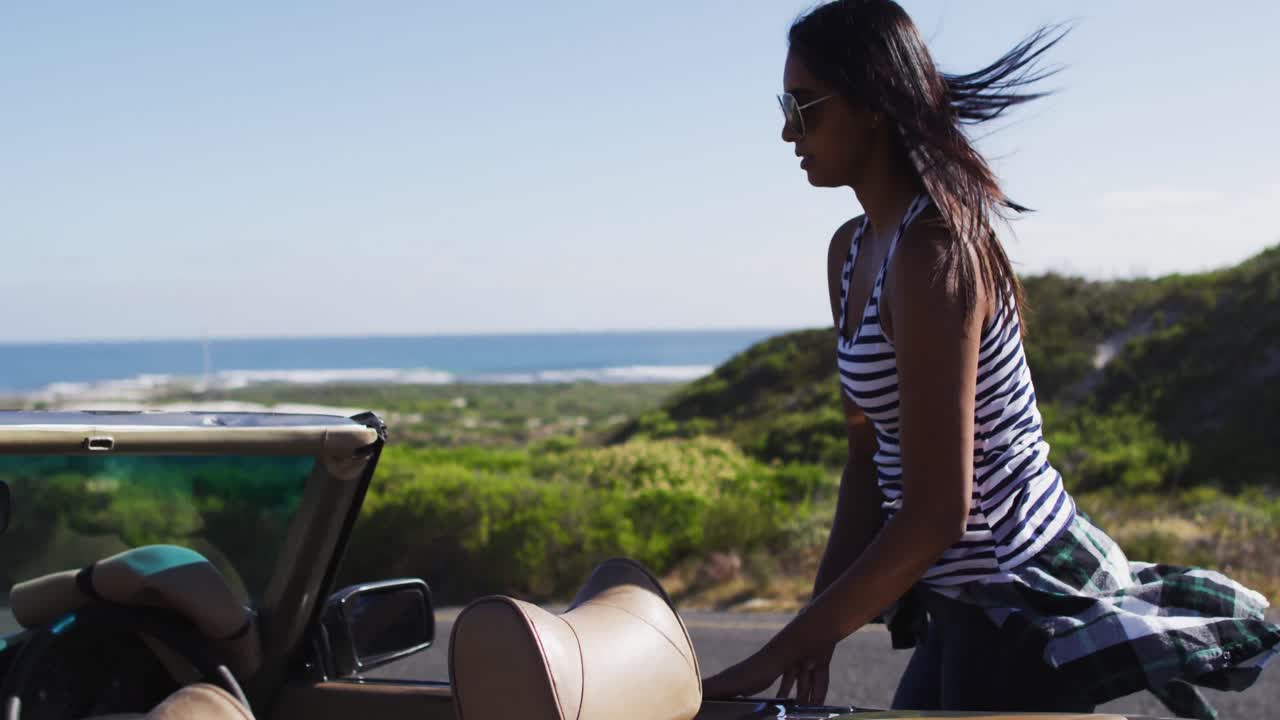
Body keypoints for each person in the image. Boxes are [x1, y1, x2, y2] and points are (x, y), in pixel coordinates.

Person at [700, 2, 1280, 717]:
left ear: (875, 103)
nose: (788, 130)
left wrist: (776, 650)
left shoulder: (934, 252)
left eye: (805, 106)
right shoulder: (850, 253)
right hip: (955, 595)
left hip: (1023, 593)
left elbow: (939, 510)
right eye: (785, 105)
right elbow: (866, 453)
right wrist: (817, 626)